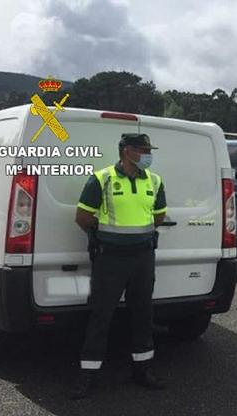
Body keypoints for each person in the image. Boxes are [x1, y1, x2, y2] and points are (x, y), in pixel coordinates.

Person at [72, 133, 167, 399]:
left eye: (148, 149)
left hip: (143, 258)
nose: (148, 154)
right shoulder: (102, 179)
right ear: (126, 151)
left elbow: (158, 217)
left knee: (143, 314)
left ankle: (143, 370)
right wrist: (105, 236)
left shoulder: (155, 180)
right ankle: (88, 375)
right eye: (143, 149)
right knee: (101, 316)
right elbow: (82, 217)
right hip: (110, 259)